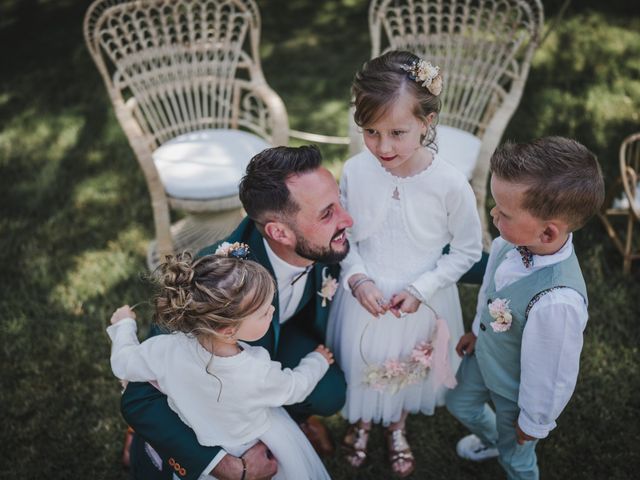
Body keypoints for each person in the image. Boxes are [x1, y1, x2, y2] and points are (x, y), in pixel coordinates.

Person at [120, 145, 353, 480]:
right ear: (279, 233)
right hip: (217, 371)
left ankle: (291, 417)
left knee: (329, 391)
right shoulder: (215, 284)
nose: (348, 219)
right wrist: (224, 466)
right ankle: (136, 441)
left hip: (266, 351)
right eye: (327, 213)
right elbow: (138, 398)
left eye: (340, 200)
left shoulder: (322, 240)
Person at [327, 50, 483, 477]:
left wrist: (422, 289)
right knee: (363, 361)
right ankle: (361, 421)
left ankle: (397, 426)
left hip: (421, 297)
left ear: (427, 122)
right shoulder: (356, 172)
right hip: (365, 295)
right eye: (371, 132)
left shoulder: (450, 185)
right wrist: (356, 278)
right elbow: (343, 237)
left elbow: (469, 251)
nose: (383, 146)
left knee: (405, 366)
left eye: (397, 132)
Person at [445, 137, 605, 480]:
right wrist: (476, 328)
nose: (492, 213)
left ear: (547, 233)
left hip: (515, 395)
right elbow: (490, 288)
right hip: (484, 355)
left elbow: (552, 372)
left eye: (503, 212)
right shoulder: (508, 243)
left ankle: (508, 449)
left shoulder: (557, 302)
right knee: (459, 402)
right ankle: (494, 440)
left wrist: (533, 422)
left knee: (516, 460)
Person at [107, 249, 334, 479]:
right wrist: (318, 361)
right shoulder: (256, 372)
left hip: (204, 451)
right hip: (255, 447)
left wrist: (124, 326)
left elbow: (124, 363)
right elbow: (294, 388)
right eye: (265, 312)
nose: (272, 311)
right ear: (228, 331)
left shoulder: (166, 349)